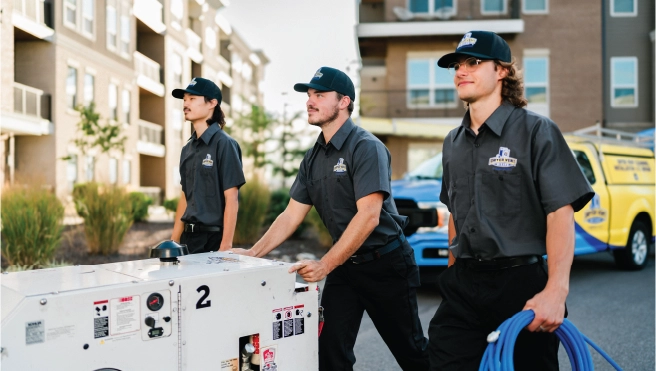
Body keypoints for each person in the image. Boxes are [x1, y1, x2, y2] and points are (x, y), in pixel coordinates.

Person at [231, 67, 429, 370]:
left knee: (412, 352)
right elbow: (290, 215)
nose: (310, 101)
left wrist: (325, 264)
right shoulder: (312, 158)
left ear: (344, 101)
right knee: (329, 353)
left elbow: (369, 216)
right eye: (309, 95)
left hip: (385, 264)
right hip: (346, 267)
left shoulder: (366, 147)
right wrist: (252, 254)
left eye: (319, 95)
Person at [427, 31, 595, 370]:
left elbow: (560, 213)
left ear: (502, 71)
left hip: (519, 283)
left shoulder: (536, 131)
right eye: (458, 65)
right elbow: (455, 213)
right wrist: (453, 269)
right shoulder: (452, 143)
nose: (462, 70)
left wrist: (555, 292)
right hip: (464, 283)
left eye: (474, 62)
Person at [170, 77, 245, 254]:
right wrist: (174, 240)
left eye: (192, 99)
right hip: (188, 240)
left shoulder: (225, 144)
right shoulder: (187, 149)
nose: (186, 104)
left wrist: (225, 247)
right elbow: (185, 197)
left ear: (212, 103)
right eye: (185, 99)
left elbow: (232, 199)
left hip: (213, 241)